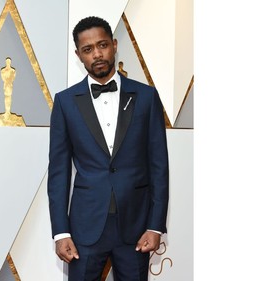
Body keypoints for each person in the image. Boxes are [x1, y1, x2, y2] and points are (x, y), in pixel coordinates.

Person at [48, 16, 169, 281]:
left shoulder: (147, 97)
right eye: (88, 49)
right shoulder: (65, 102)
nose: (97, 54)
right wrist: (61, 232)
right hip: (84, 228)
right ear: (78, 55)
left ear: (114, 45)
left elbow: (159, 166)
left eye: (102, 45)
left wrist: (155, 226)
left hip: (137, 226)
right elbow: (58, 172)